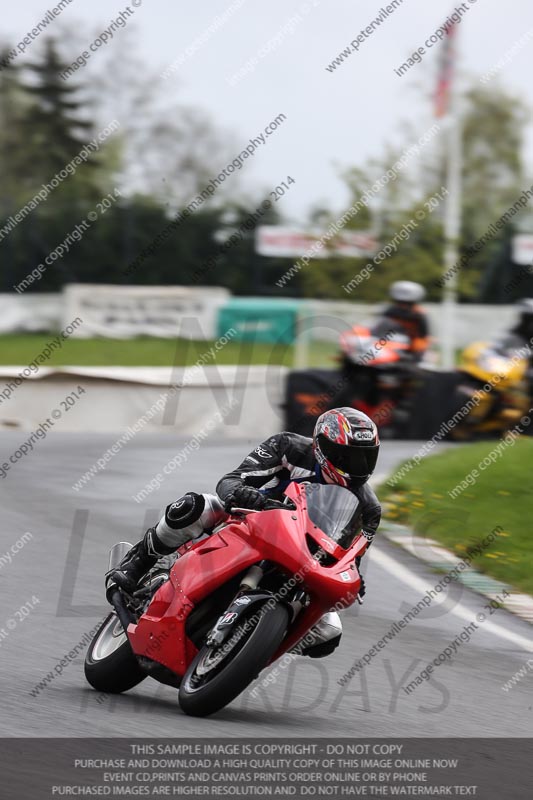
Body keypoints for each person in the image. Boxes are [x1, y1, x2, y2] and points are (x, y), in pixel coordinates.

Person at [106, 408, 381, 657]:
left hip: (302, 554)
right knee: (195, 507)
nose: (358, 465)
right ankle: (137, 562)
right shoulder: (289, 447)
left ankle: (253, 644)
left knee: (329, 633)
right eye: (349, 456)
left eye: (366, 457)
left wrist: (353, 574)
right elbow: (232, 479)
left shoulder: (369, 509)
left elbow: (351, 553)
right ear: (322, 446)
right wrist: (243, 494)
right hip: (248, 519)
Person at [382, 280, 430, 359]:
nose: (403, 305)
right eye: (400, 302)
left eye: (407, 303)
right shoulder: (390, 311)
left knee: (419, 345)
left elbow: (423, 334)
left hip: (410, 343)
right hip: (389, 341)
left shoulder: (419, 314)